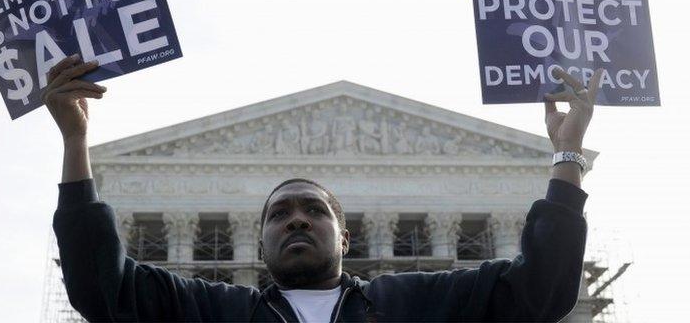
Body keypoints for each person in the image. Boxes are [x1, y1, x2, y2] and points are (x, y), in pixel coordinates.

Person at [46, 54, 600, 322]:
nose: (296, 219)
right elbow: (103, 288)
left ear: (346, 237)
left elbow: (542, 291)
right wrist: (76, 142)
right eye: (278, 213)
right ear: (260, 242)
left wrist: (566, 154)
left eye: (314, 209)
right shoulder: (219, 311)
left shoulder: (408, 303)